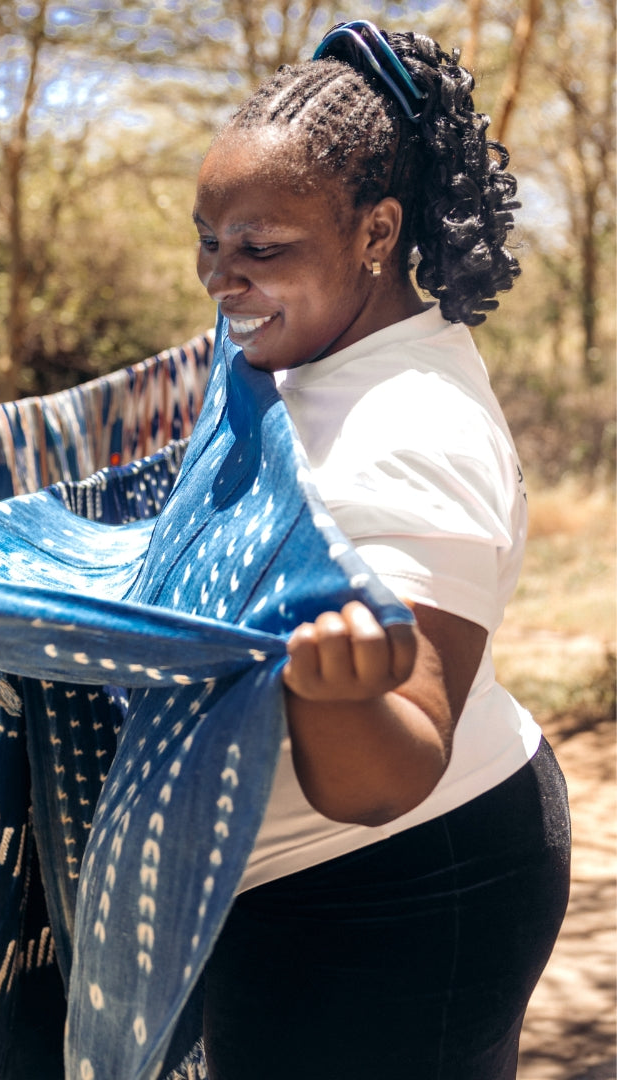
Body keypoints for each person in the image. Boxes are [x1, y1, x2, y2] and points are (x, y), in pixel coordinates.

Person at [190, 21, 571, 1079]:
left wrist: (340, 692)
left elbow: (397, 759)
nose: (222, 279)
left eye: (261, 248)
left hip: (394, 894)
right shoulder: (331, 357)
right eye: (208, 241)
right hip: (345, 887)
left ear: (376, 231)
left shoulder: (408, 430)